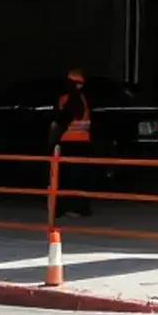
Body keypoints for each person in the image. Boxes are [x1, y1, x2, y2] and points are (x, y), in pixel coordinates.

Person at [52, 69, 94, 219]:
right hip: (83, 142)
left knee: (66, 177)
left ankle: (67, 208)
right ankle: (80, 208)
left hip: (68, 142)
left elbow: (60, 120)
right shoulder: (84, 99)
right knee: (79, 177)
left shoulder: (66, 99)